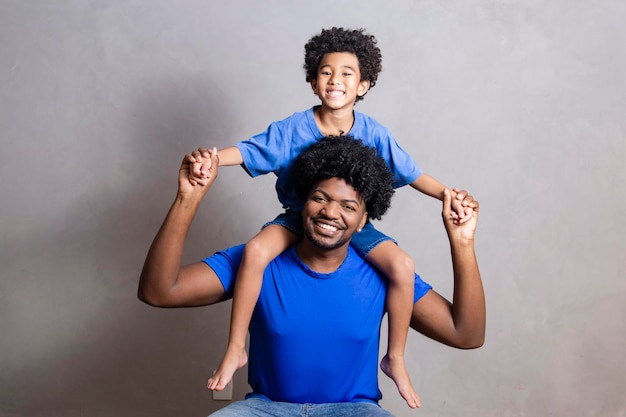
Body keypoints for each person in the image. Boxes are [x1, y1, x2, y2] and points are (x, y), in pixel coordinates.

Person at [189, 27, 476, 409]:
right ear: (312, 82)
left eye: (347, 73)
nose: (335, 80)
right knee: (257, 251)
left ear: (364, 85)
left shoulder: (374, 132)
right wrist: (212, 159)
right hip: (299, 218)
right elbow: (247, 150)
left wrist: (448, 194)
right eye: (326, 72)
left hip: (353, 227)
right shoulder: (294, 128)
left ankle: (396, 358)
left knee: (403, 266)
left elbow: (412, 173)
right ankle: (236, 349)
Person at [138, 136, 485, 417]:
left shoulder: (384, 274)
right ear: (303, 203)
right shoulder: (257, 262)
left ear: (364, 221)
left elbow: (466, 334)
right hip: (265, 409)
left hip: (354, 412)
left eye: (348, 206)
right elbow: (159, 291)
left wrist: (463, 242)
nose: (330, 212)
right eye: (320, 198)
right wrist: (188, 198)